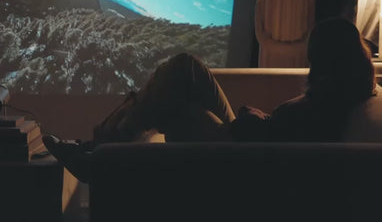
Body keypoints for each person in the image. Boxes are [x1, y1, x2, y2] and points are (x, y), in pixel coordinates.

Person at [43, 17, 379, 182]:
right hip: (245, 142)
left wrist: (254, 118)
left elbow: (275, 144)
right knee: (186, 68)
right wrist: (260, 119)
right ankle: (101, 148)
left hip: (235, 155)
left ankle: (99, 154)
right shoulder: (345, 93)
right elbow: (281, 134)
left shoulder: (321, 108)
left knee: (178, 105)